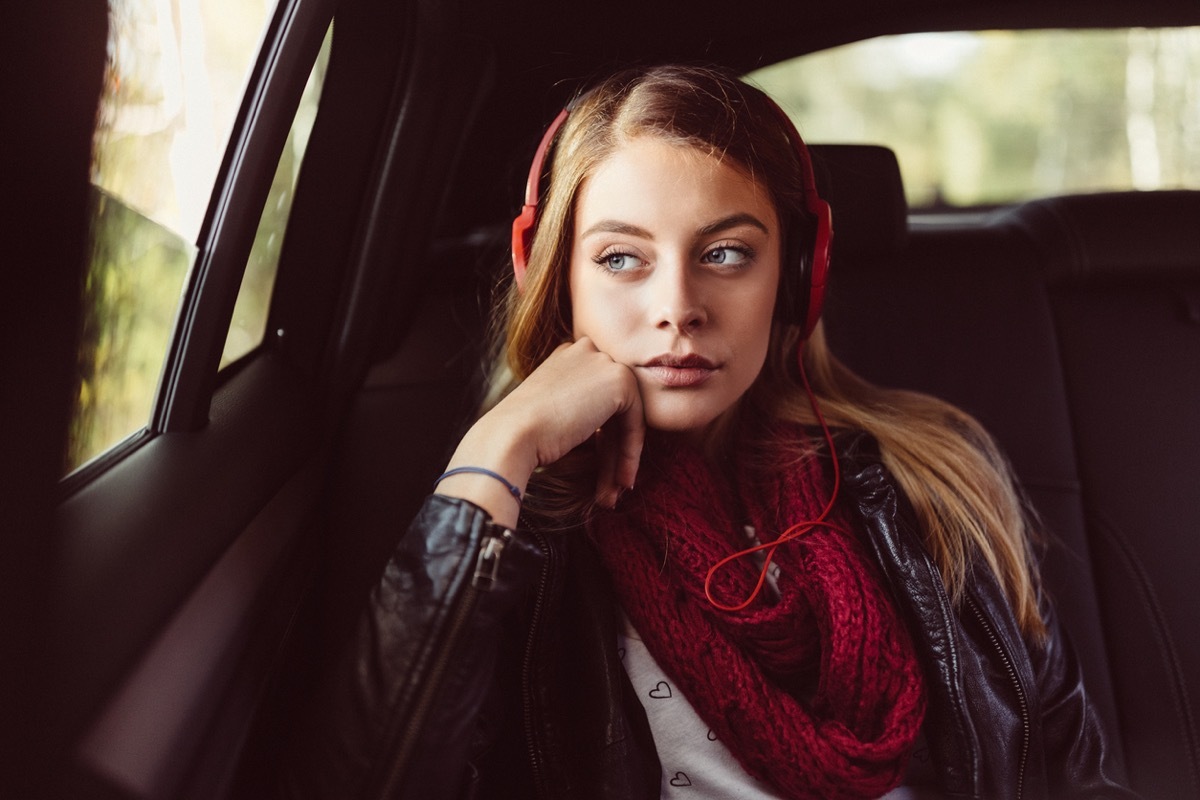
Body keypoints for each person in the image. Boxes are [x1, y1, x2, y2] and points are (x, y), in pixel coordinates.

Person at [279, 65, 1138, 800]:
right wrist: (496, 451)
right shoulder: (510, 534)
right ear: (557, 278)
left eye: (726, 253)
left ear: (799, 275)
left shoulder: (931, 479)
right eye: (621, 258)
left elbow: (1069, 773)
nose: (677, 309)